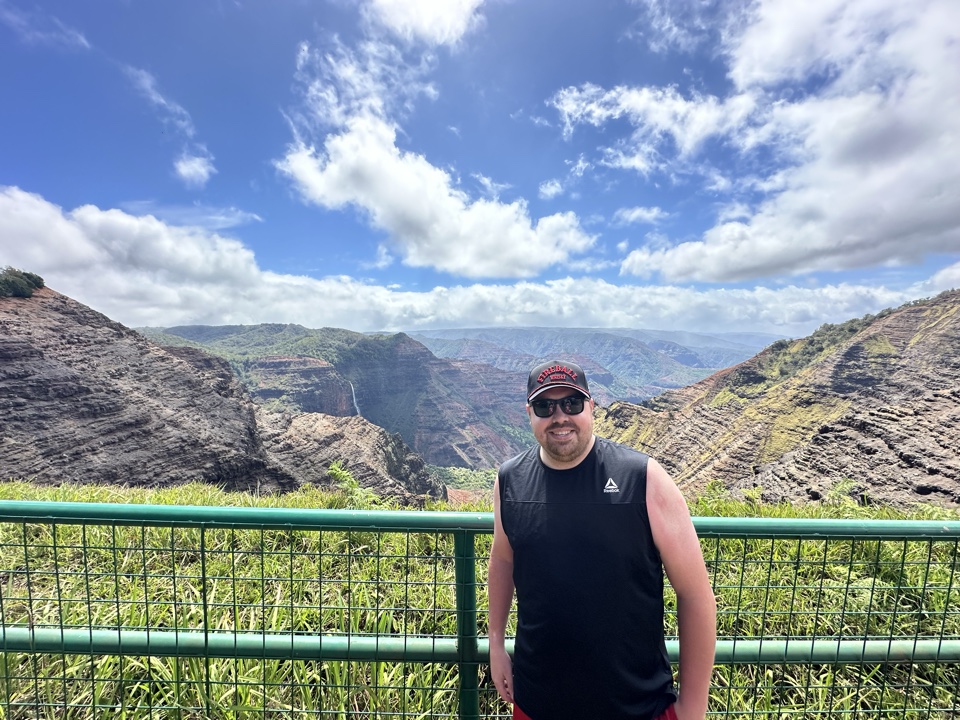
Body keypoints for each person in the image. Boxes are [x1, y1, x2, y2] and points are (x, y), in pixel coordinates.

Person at [488, 360, 717, 720]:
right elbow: (503, 559)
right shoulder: (510, 480)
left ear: (591, 407)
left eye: (572, 404)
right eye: (545, 406)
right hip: (536, 702)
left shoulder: (643, 479)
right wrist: (496, 644)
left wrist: (692, 707)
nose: (560, 417)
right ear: (529, 413)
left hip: (636, 706)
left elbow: (696, 595)